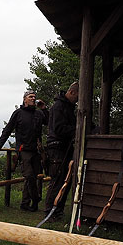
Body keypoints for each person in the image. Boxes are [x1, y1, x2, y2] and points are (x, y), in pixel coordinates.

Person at [0, 90, 48, 212]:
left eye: (34, 97)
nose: (33, 98)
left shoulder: (39, 113)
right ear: (24, 99)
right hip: (23, 150)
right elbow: (8, 129)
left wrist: (44, 108)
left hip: (36, 150)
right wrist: (0, 144)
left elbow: (49, 122)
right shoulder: (18, 113)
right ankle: (36, 198)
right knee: (29, 176)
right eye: (30, 97)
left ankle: (25, 204)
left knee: (33, 177)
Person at [43, 81, 79, 220]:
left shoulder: (68, 107)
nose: (77, 100)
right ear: (72, 92)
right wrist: (77, 129)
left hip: (64, 147)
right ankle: (50, 212)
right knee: (58, 180)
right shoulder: (58, 106)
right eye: (77, 96)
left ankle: (57, 211)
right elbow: (59, 129)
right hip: (56, 148)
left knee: (66, 180)